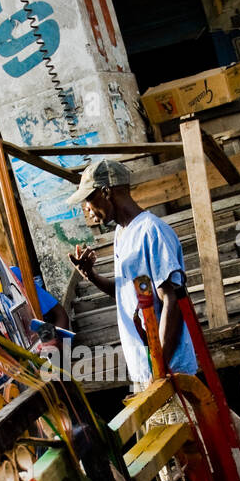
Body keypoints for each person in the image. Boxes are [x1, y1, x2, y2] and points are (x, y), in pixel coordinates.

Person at [66, 160, 197, 386]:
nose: (86, 208)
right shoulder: (121, 233)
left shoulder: (151, 231)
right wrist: (91, 275)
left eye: (89, 199)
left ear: (106, 192)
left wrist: (159, 369)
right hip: (147, 373)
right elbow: (126, 294)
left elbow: (171, 300)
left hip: (170, 373)